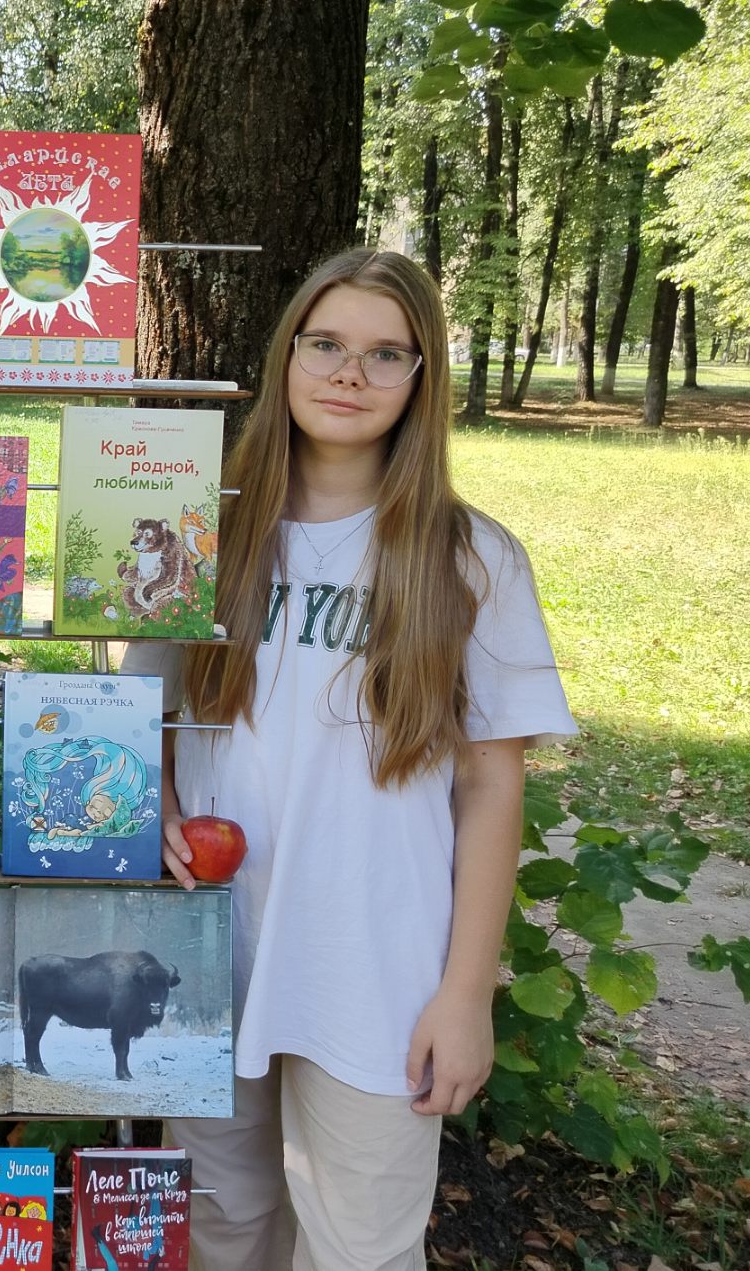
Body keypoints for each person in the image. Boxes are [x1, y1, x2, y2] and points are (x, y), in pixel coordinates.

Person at [123, 249, 575, 1269]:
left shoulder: (470, 557)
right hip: (208, 948)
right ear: (287, 355)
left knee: (359, 1246)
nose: (349, 374)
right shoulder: (197, 532)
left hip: (375, 967)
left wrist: (466, 994)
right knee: (224, 1224)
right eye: (325, 344)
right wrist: (153, 808)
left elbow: (492, 782)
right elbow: (139, 715)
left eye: (385, 354)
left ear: (422, 377)